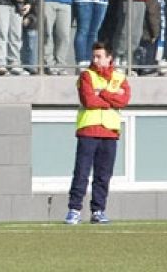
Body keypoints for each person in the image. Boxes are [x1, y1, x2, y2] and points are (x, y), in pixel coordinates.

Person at [64, 41, 131, 225]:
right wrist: (110, 96)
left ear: (109, 58)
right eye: (94, 56)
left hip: (110, 132)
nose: (95, 59)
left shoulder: (119, 76)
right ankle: (74, 209)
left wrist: (102, 93)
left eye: (99, 56)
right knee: (81, 172)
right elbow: (88, 101)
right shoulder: (86, 75)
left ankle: (98, 210)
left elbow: (124, 100)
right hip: (88, 130)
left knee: (103, 175)